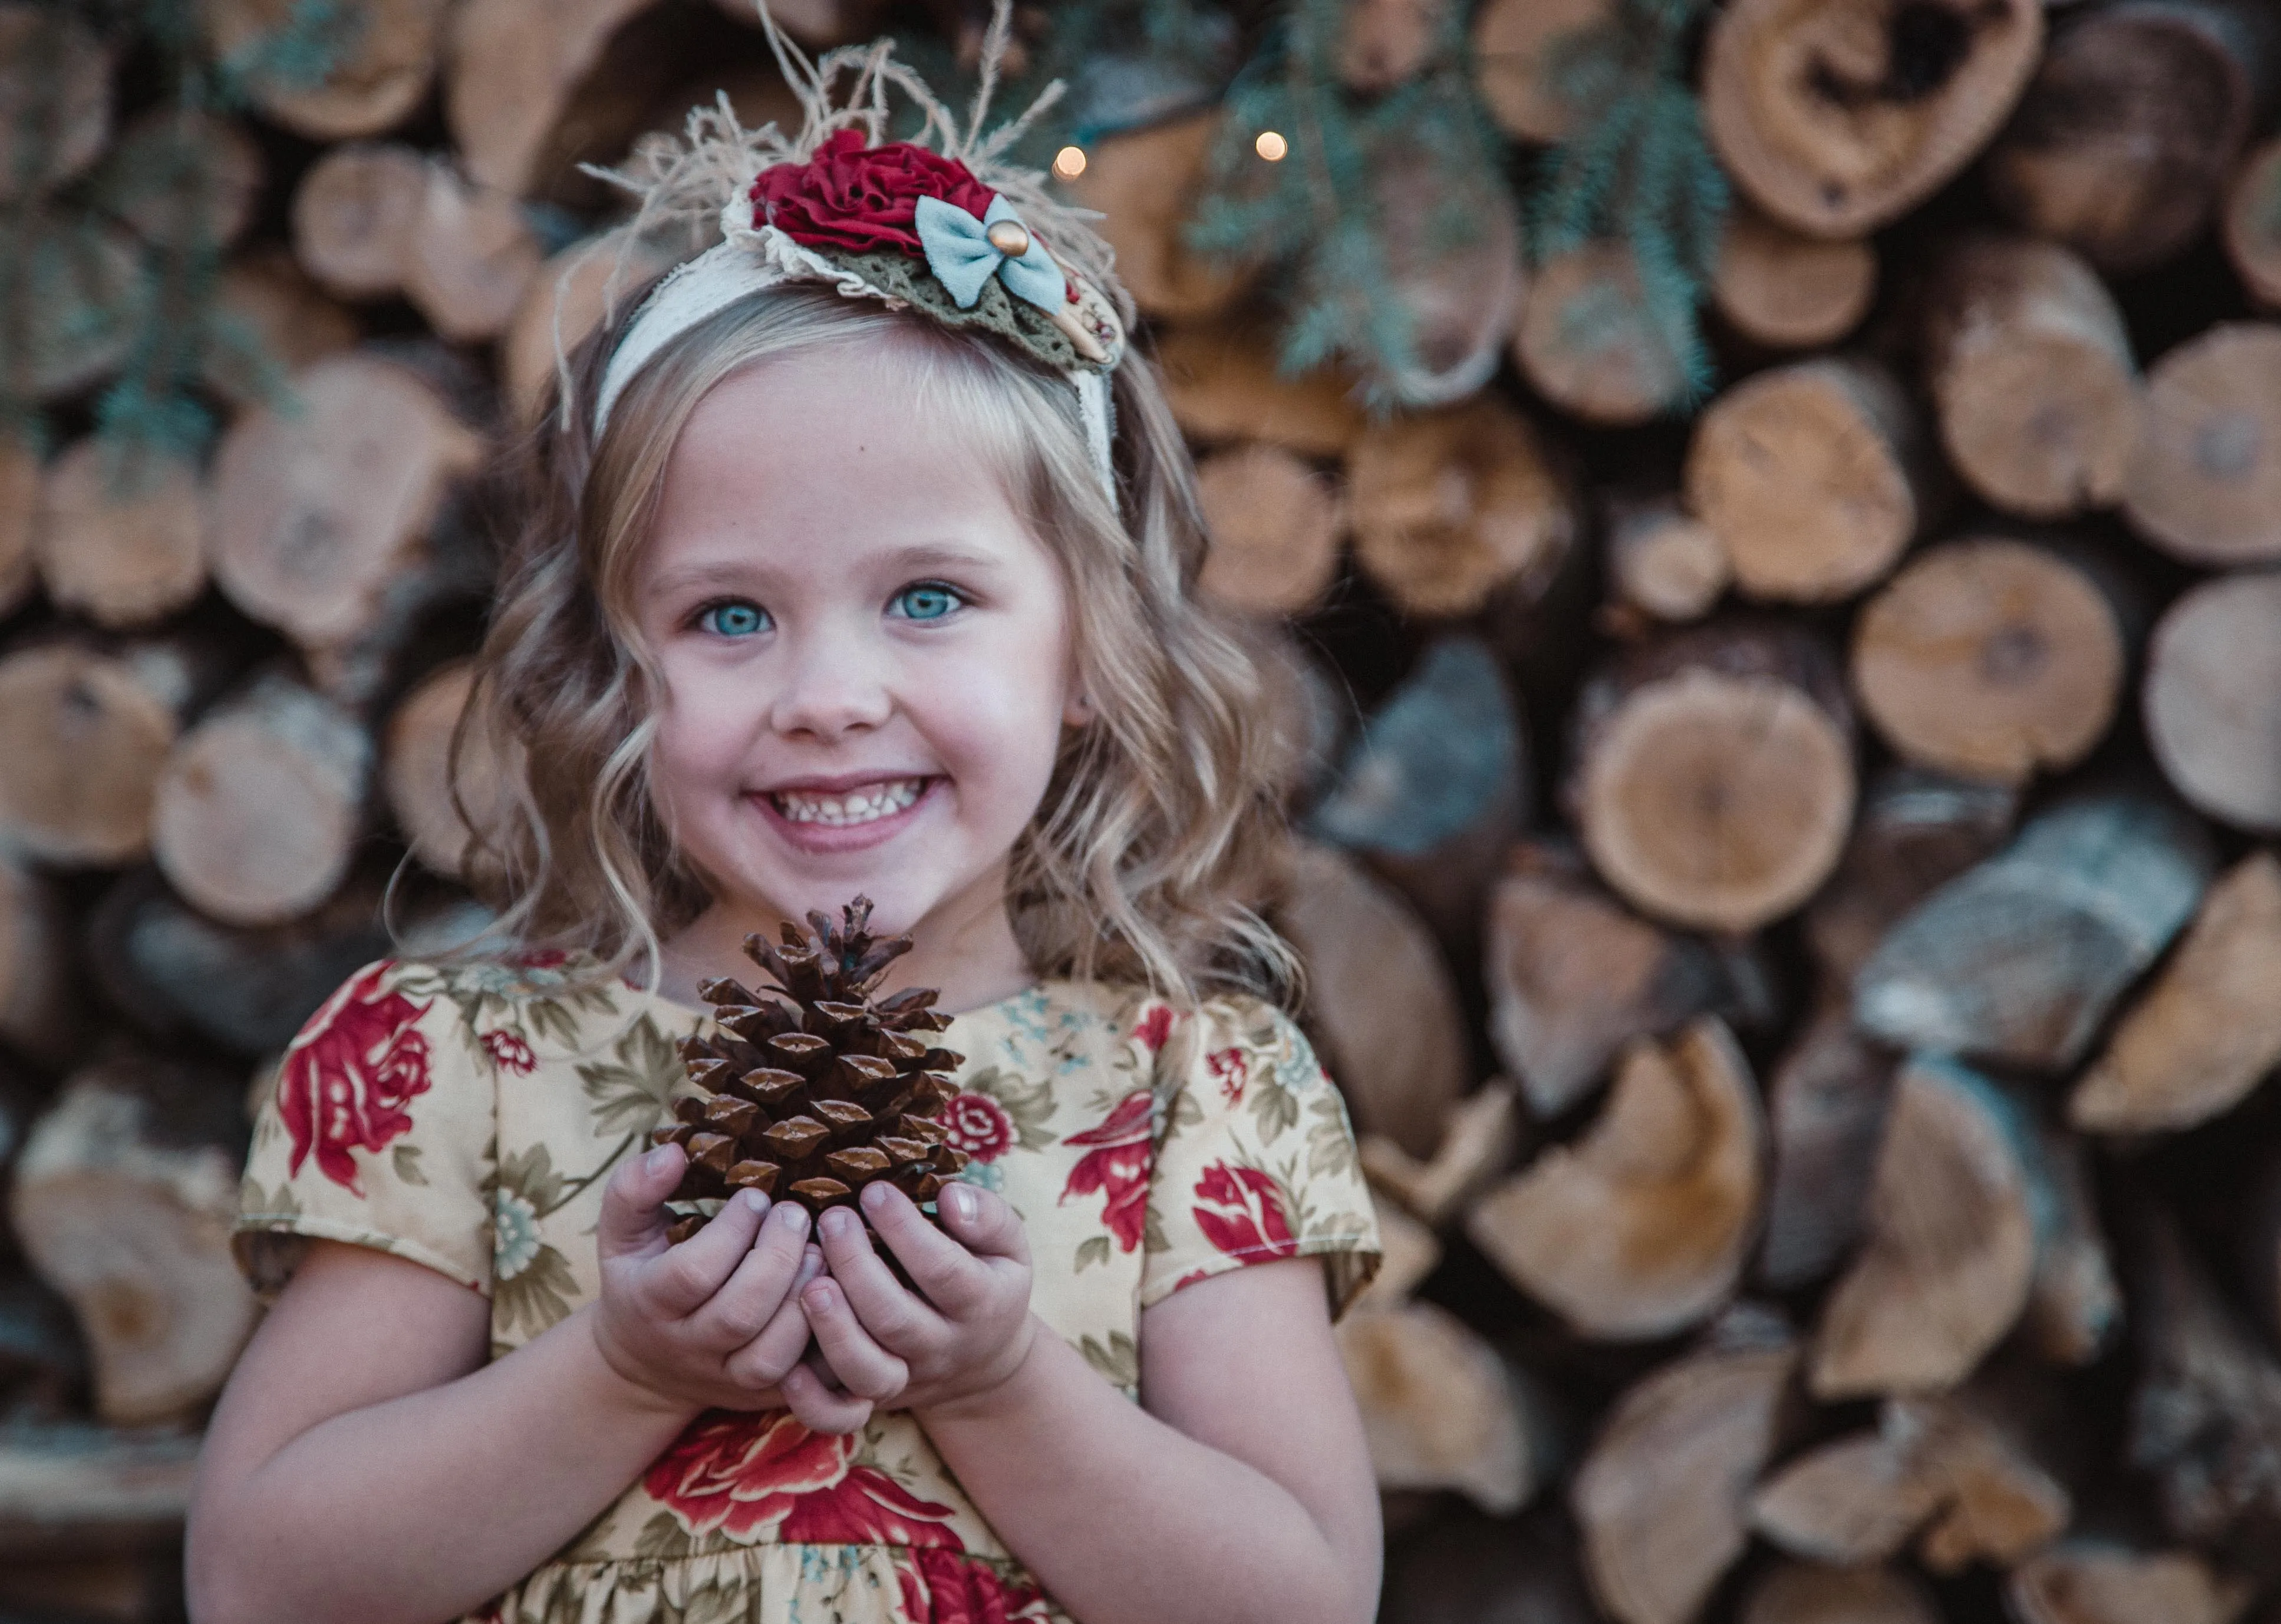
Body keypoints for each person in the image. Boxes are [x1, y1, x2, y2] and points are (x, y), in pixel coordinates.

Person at [184, 16, 1384, 1624]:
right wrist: (615, 1369)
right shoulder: (454, 1066)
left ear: (1090, 649)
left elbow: (1301, 1600)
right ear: (617, 662)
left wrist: (998, 1379)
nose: (826, 693)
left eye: (930, 597)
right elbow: (262, 1581)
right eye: (731, 617)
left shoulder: (1189, 1102)